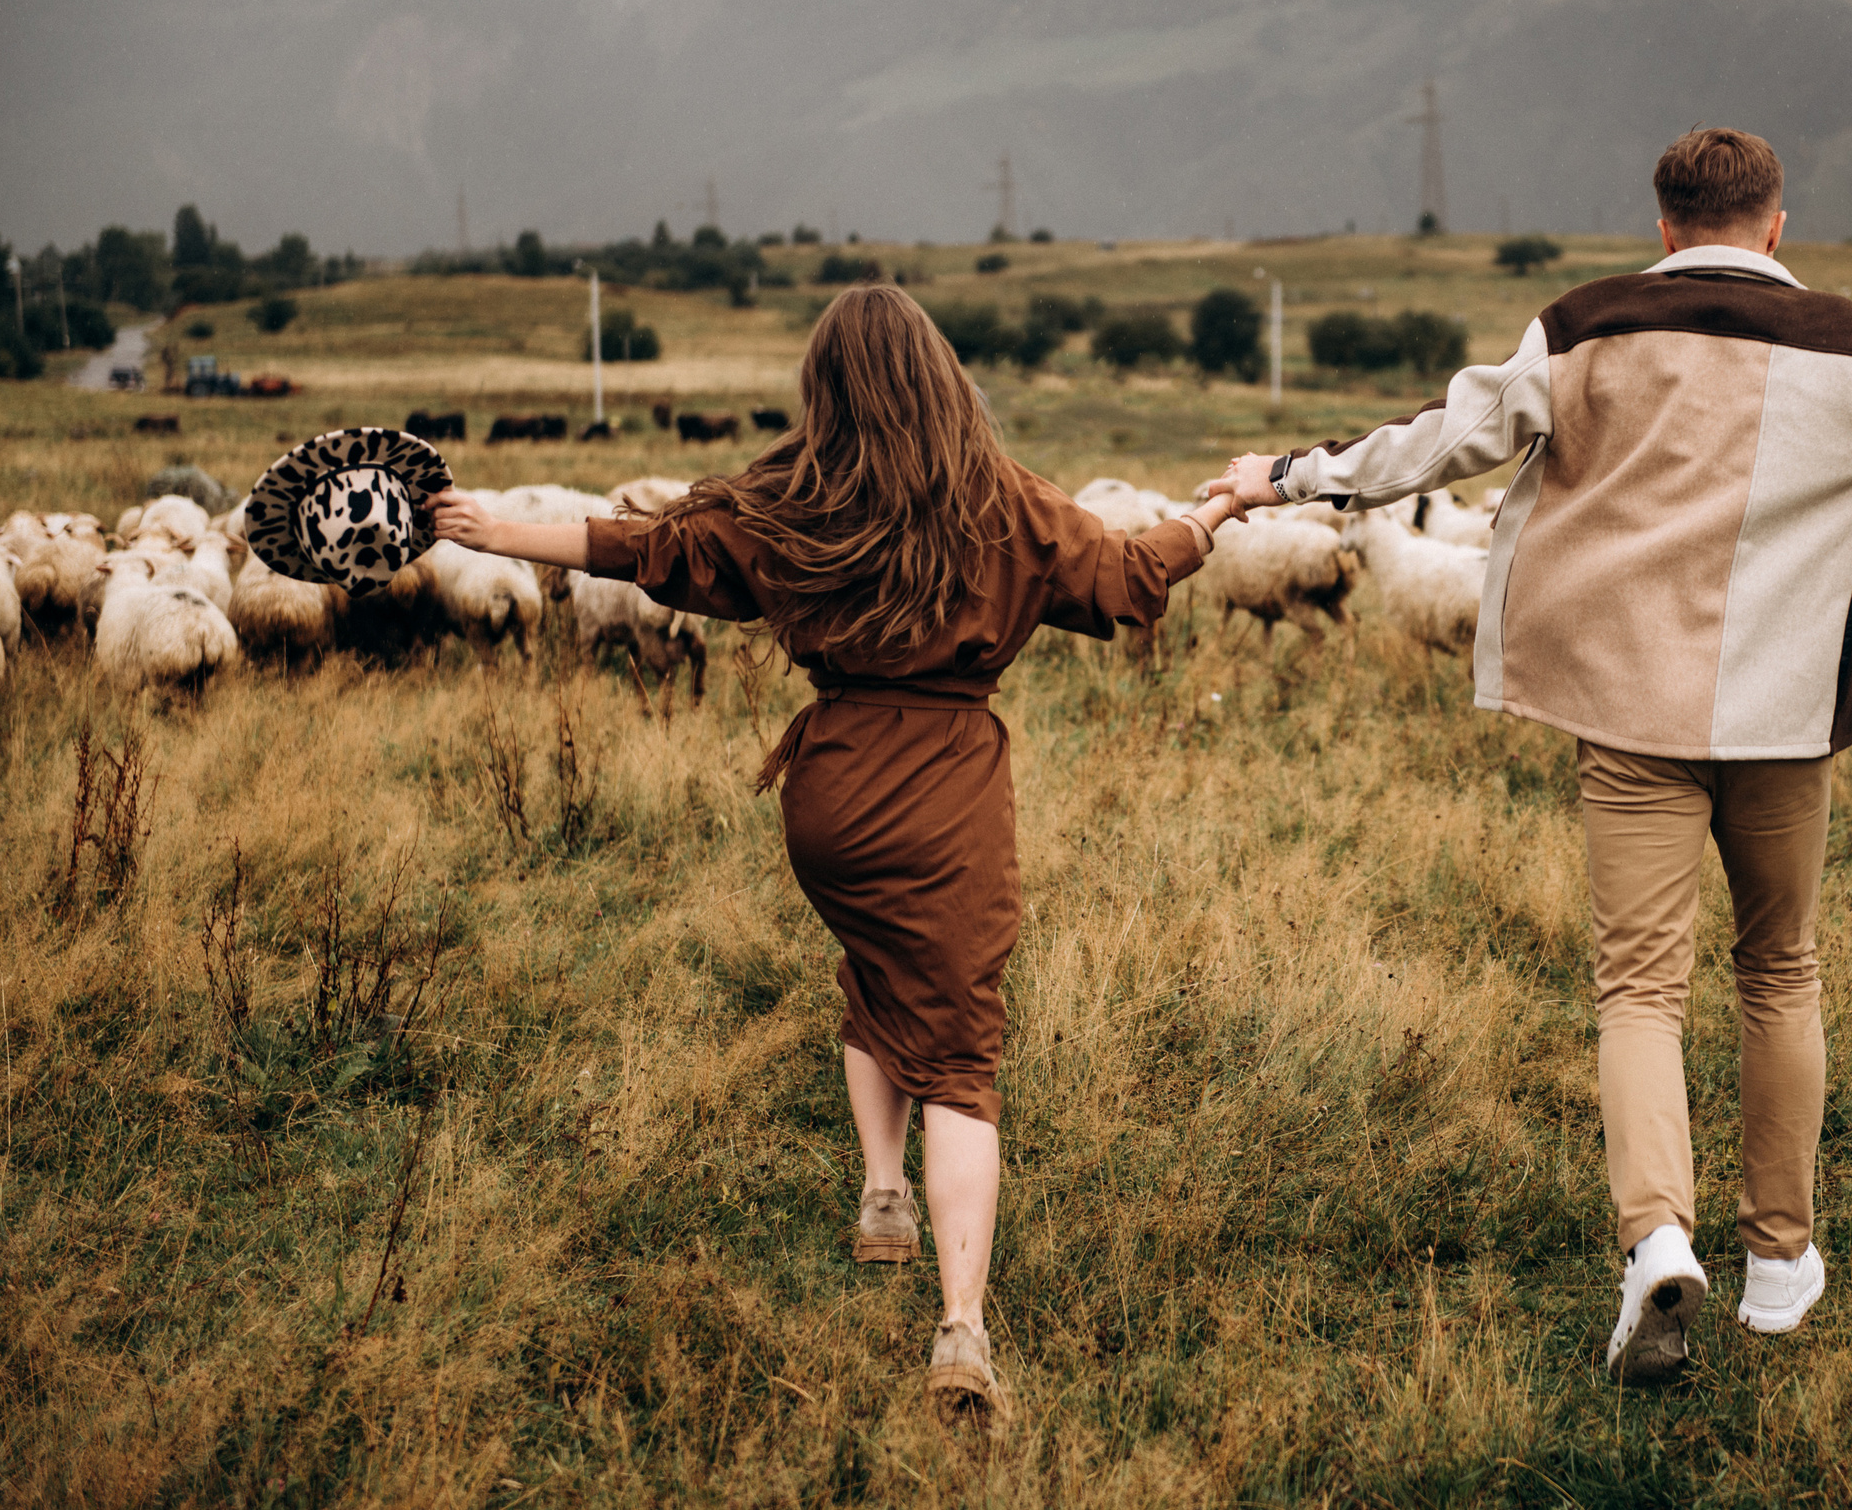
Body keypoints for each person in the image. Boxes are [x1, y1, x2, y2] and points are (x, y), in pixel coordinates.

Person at [1211, 127, 1852, 1383]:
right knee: (1779, 968)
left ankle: (1656, 1237)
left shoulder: (1582, 325)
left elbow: (1437, 440)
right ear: (1774, 225)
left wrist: (1280, 476)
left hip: (1629, 715)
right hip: (1781, 714)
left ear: (1663, 227)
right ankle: (1777, 1260)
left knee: (1639, 989)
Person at [430, 284, 1247, 1416]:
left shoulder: (793, 502)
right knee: (960, 1042)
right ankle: (961, 1328)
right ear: (939, 376)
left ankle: (881, 1193)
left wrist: (493, 529)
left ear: (826, 390)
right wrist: (1219, 509)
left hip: (828, 790)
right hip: (946, 783)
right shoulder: (1000, 501)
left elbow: (650, 550)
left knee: (875, 966)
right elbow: (1128, 580)